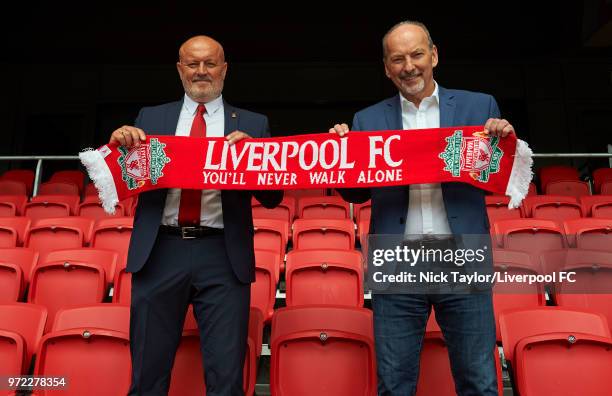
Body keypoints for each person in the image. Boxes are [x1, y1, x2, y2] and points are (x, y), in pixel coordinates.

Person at [330, 21, 515, 395]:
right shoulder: (367, 120)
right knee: (394, 383)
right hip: (397, 263)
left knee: (479, 381)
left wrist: (504, 139)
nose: (408, 66)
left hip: (461, 259)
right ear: (386, 67)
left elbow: (498, 175)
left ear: (434, 55)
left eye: (416, 54)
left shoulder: (479, 107)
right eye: (397, 59)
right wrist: (342, 154)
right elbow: (355, 193)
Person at [109, 35, 283, 396]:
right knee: (147, 374)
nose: (201, 71)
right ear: (179, 69)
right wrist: (118, 146)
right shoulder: (150, 118)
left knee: (226, 378)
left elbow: (271, 196)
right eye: (192, 63)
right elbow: (121, 181)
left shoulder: (253, 123)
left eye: (209, 63)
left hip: (222, 254)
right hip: (159, 252)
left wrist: (255, 158)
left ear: (224, 69)